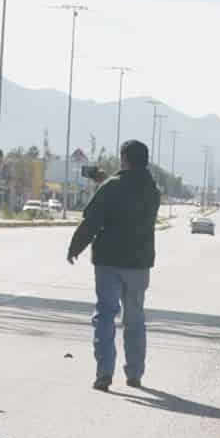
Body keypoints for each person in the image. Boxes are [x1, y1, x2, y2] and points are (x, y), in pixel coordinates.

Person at [67, 138, 159, 391]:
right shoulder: (153, 190)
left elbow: (92, 220)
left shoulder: (111, 186)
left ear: (124, 159)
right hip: (139, 264)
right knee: (135, 318)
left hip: (109, 262)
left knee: (105, 316)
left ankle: (104, 372)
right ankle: (135, 373)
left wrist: (76, 247)